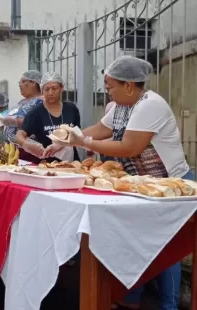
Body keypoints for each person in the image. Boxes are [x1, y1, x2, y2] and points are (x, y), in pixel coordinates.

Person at [67, 56, 192, 310]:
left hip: (171, 185)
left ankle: (169, 306)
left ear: (129, 85)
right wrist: (67, 137)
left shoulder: (150, 105)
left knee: (165, 246)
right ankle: (132, 299)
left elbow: (129, 147)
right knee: (138, 240)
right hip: (143, 185)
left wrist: (83, 143)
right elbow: (99, 130)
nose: (107, 91)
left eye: (110, 86)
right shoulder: (119, 106)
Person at [16, 72, 81, 164]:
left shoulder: (71, 109)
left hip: (71, 163)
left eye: (54, 88)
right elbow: (20, 134)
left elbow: (78, 132)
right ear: (42, 91)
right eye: (46, 89)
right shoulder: (36, 113)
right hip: (47, 164)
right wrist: (26, 144)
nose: (50, 93)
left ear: (61, 88)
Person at [1, 71, 43, 144]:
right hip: (10, 148)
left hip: (28, 148)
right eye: (19, 83)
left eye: (23, 81)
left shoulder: (41, 101)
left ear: (33, 82)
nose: (20, 85)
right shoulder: (20, 103)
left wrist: (16, 122)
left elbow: (39, 123)